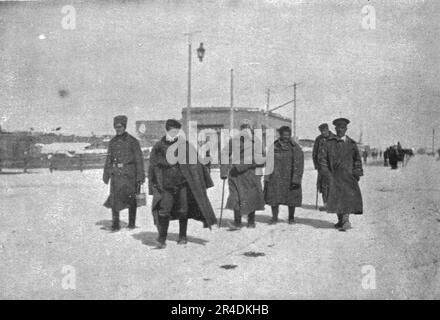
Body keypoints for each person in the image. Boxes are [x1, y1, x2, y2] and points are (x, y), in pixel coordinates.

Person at [148, 119, 217, 248]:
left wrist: (204, 172)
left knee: (183, 210)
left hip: (182, 185)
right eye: (172, 131)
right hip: (166, 186)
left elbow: (196, 163)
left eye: (177, 132)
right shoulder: (158, 147)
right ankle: (162, 239)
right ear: (167, 130)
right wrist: (153, 186)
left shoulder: (185, 145)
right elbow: (152, 167)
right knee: (164, 210)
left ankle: (182, 236)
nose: (175, 134)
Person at [318, 118, 363, 231]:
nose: (340, 130)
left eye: (342, 128)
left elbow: (357, 159)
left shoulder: (351, 144)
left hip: (348, 176)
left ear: (346, 129)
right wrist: (326, 174)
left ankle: (346, 221)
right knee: (336, 199)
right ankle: (340, 220)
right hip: (333, 176)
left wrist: (356, 173)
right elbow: (322, 160)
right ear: (335, 128)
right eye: (338, 128)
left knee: (347, 199)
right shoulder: (328, 143)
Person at [103, 115, 145, 231]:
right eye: (116, 127)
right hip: (116, 175)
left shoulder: (133, 141)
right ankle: (115, 224)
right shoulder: (112, 142)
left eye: (120, 126)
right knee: (114, 199)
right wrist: (106, 174)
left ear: (124, 126)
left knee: (131, 200)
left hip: (129, 175)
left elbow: (139, 160)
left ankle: (131, 223)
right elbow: (109, 159)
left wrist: (140, 176)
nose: (118, 129)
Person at [220, 122, 265, 229]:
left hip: (252, 174)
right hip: (235, 175)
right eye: (243, 128)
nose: (245, 131)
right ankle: (237, 222)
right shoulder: (234, 141)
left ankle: (251, 221)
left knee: (251, 198)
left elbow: (263, 158)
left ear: (251, 130)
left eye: (247, 128)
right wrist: (223, 171)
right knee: (235, 197)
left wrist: (243, 165)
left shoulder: (257, 142)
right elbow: (225, 153)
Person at [264, 126, 304, 224]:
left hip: (290, 177)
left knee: (292, 198)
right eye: (284, 135)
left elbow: (299, 164)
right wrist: (267, 177)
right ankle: (274, 217)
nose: (286, 137)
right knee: (274, 198)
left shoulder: (295, 147)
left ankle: (291, 218)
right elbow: (269, 162)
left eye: (288, 135)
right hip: (276, 177)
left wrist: (296, 179)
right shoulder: (274, 146)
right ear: (280, 135)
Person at [312, 123, 333, 210]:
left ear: (328, 129)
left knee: (332, 185)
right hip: (322, 166)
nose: (323, 132)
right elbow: (314, 153)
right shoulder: (319, 139)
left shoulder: (334, 138)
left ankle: (332, 203)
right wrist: (316, 165)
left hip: (332, 166)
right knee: (324, 186)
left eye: (324, 130)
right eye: (321, 131)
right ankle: (326, 204)